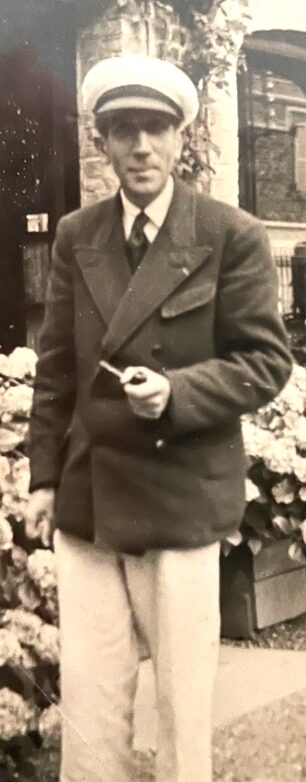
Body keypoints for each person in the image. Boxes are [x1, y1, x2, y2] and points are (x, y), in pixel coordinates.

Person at [25, 53, 292, 782]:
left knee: (181, 699)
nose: (139, 147)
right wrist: (43, 476)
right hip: (91, 496)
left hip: (179, 494)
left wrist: (176, 393)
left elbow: (265, 362)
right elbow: (54, 369)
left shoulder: (229, 233)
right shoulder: (78, 234)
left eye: (154, 129)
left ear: (181, 139)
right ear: (104, 143)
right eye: (122, 131)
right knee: (91, 693)